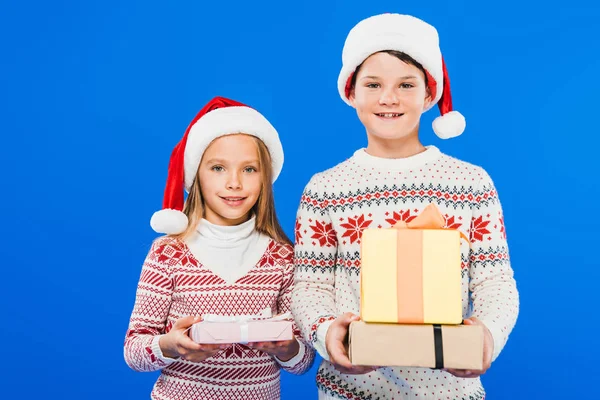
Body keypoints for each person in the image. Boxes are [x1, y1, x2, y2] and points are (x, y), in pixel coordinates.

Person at [291, 13, 519, 399]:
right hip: (350, 390)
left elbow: (495, 281)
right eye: (373, 84)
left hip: (449, 392)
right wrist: (329, 332)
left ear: (430, 95)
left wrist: (487, 335)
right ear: (351, 92)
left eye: (406, 85)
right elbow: (309, 286)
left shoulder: (470, 183)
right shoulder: (324, 189)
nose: (389, 98)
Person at [124, 96, 314, 399]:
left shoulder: (282, 257)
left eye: (249, 169)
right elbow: (134, 351)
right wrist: (171, 345)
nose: (234, 183)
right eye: (218, 168)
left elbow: (303, 361)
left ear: (265, 177)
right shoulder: (168, 253)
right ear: (196, 173)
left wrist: (288, 346)